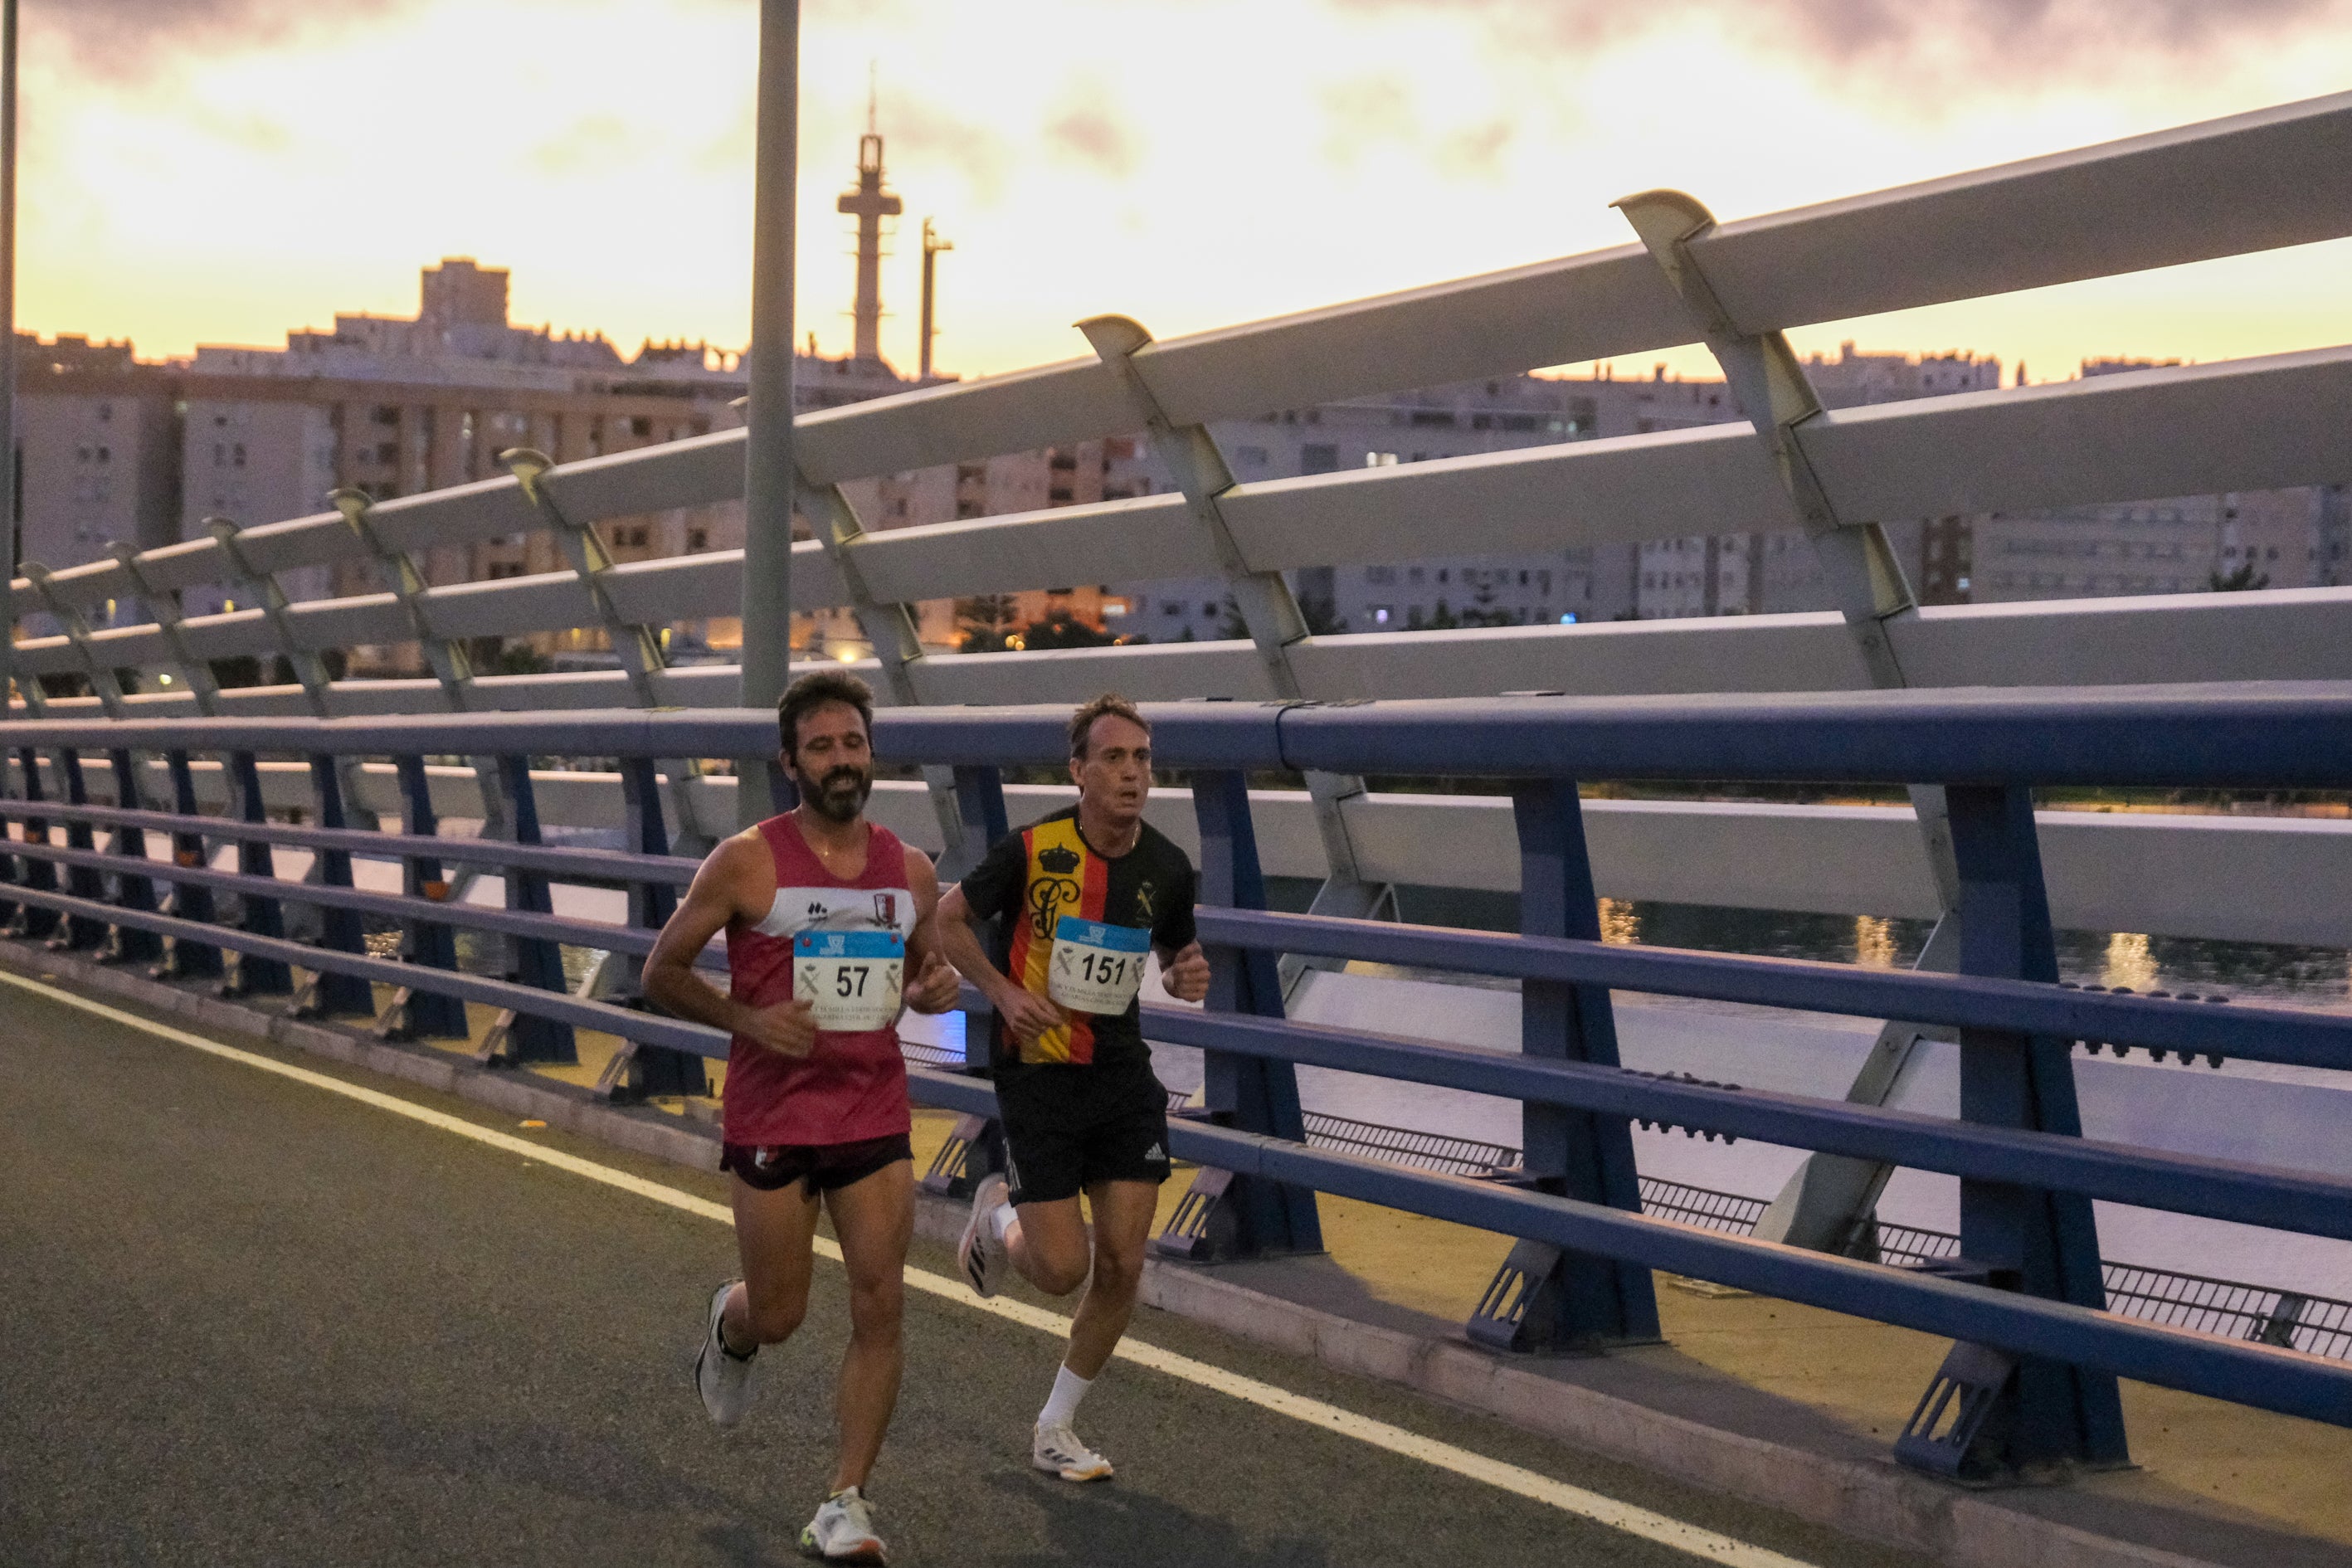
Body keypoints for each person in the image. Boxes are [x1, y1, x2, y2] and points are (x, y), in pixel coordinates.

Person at [642, 670, 960, 1566]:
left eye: (852, 743)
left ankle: (844, 1501)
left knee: (880, 1301)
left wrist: (937, 989)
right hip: (773, 1112)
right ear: (790, 763)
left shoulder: (911, 870)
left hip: (870, 1108)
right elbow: (661, 971)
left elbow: (929, 975)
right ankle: (732, 1324)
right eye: (821, 747)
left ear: (872, 753)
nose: (840, 760)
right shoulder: (746, 861)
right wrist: (747, 1021)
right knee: (780, 1313)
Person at [935, 693, 1210, 1483]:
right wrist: (1000, 991)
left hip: (1121, 1078)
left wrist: (1184, 975)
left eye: (1142, 758)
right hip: (1039, 1077)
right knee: (1061, 1270)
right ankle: (998, 1217)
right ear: (1078, 771)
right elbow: (949, 920)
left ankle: (1055, 1426)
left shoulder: (1167, 867)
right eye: (1113, 758)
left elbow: (1176, 958)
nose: (1131, 773)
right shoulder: (1031, 850)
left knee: (1121, 1265)